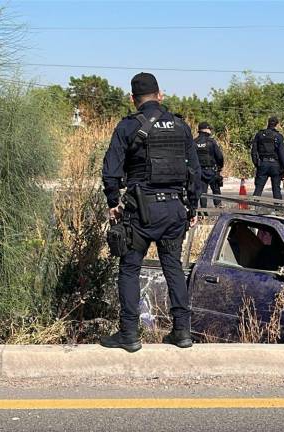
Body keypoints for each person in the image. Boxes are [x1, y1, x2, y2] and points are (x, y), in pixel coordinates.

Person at [100, 72, 201, 352]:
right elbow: (195, 171)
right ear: (160, 95)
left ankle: (129, 334)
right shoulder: (181, 126)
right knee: (174, 268)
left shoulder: (128, 127)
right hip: (174, 210)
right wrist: (192, 206)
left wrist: (113, 202)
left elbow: (110, 172)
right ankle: (182, 331)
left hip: (140, 211)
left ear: (133, 100)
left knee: (130, 269)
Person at [251, 116, 284, 200]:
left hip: (263, 164)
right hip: (275, 165)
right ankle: (278, 209)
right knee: (276, 190)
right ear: (276, 124)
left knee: (258, 188)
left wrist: (257, 164)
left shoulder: (259, 135)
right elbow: (283, 154)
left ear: (268, 123)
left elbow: (253, 151)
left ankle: (254, 207)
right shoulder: (278, 136)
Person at [194, 121, 224, 208]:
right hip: (212, 171)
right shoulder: (211, 142)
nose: (210, 131)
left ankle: (203, 213)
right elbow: (219, 156)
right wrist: (220, 167)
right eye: (209, 129)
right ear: (206, 130)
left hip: (200, 171)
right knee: (216, 190)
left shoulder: (194, 142)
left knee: (203, 192)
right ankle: (218, 209)